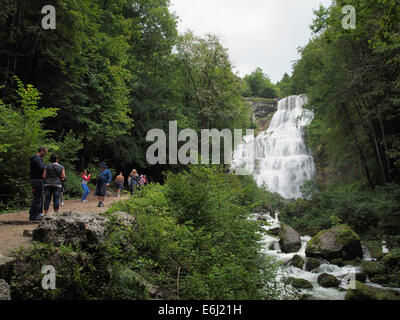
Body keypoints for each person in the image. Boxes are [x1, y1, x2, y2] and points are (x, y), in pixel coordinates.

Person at [29, 147, 48, 221]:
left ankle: (35, 213)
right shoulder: (37, 159)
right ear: (42, 151)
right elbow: (41, 168)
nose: (45, 155)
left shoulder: (37, 159)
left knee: (38, 197)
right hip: (37, 181)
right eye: (45, 153)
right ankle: (35, 215)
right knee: (38, 198)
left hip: (37, 180)